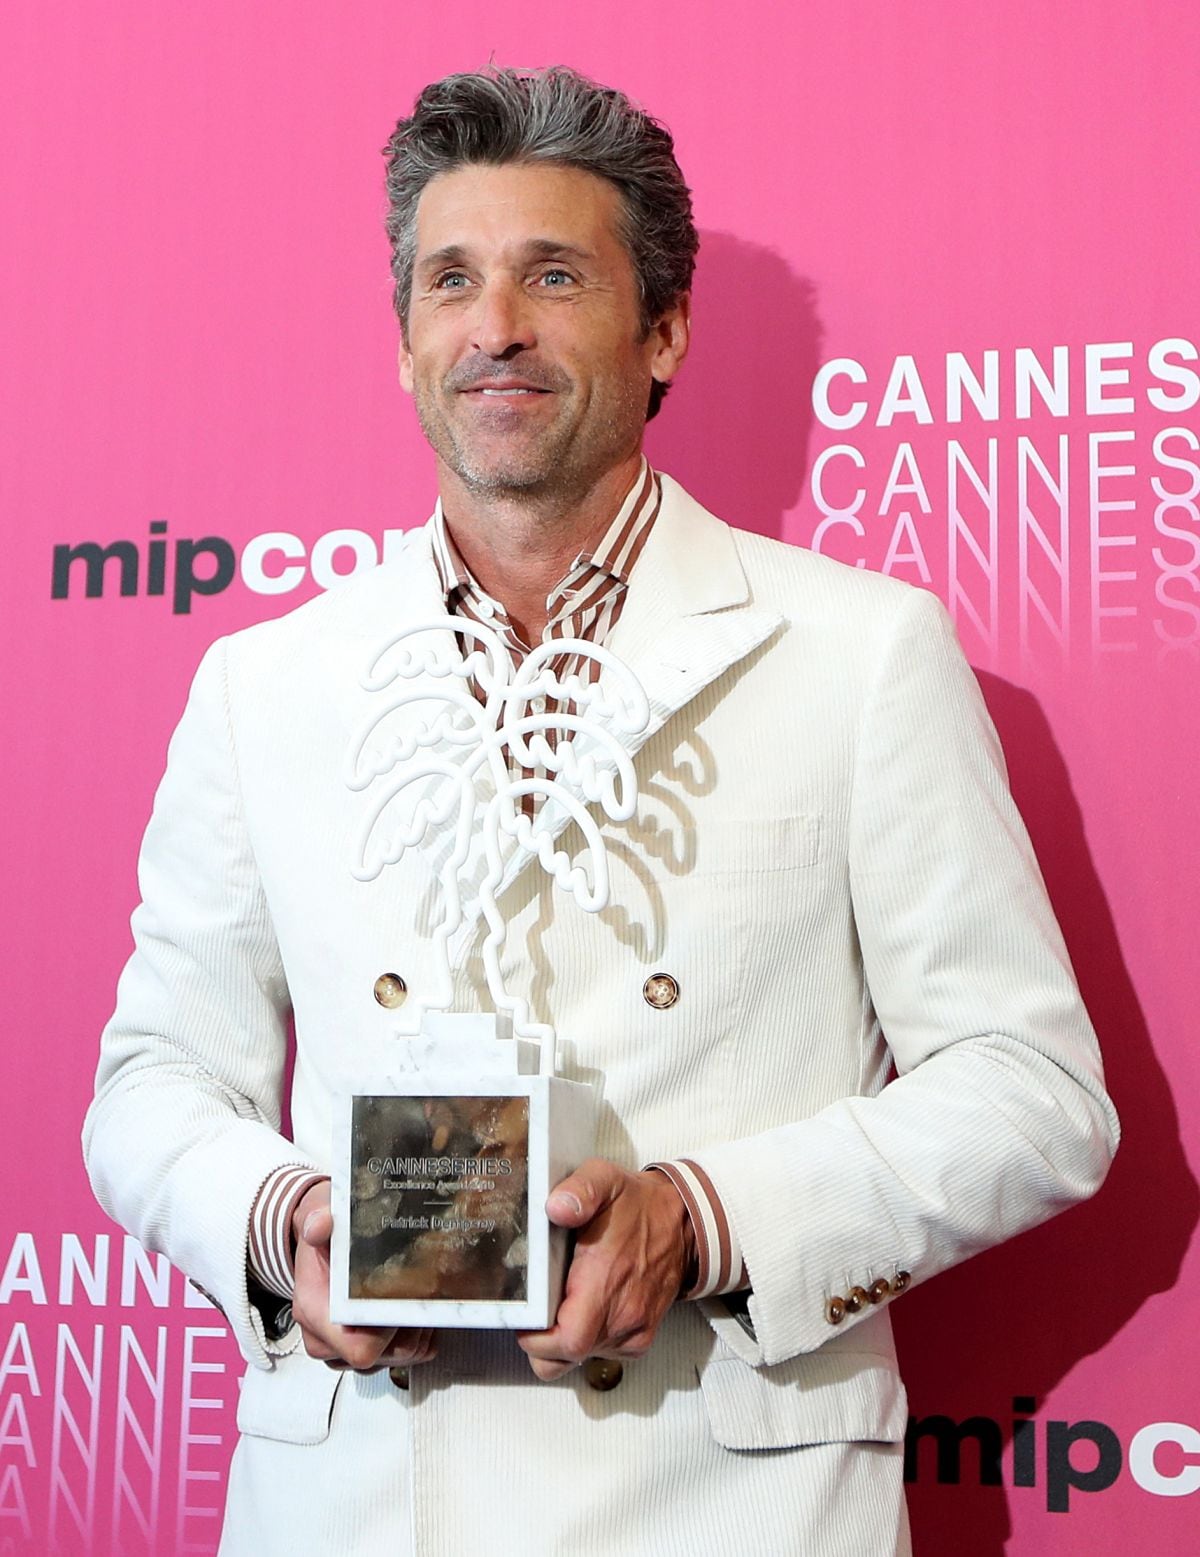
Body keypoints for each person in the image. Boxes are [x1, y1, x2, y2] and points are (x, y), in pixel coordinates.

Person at [84, 66, 1118, 1556]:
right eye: (451, 280)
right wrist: (282, 1220)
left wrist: (704, 1218)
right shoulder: (264, 683)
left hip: (733, 1495)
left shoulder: (859, 650)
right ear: (405, 341)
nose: (493, 325)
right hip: (360, 1497)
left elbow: (1033, 1087)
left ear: (665, 330)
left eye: (552, 275)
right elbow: (152, 1082)